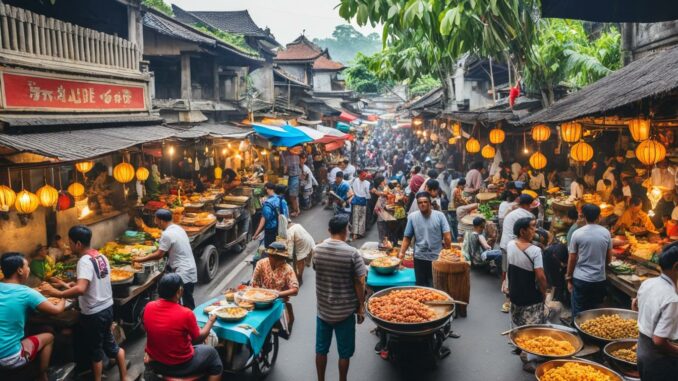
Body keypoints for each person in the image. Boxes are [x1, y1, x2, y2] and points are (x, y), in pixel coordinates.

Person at [44, 226, 128, 381]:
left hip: (94, 313)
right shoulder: (100, 256)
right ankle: (124, 377)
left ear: (78, 244)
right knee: (111, 346)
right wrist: (67, 285)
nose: (68, 246)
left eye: (69, 242)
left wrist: (58, 293)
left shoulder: (84, 261)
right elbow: (92, 283)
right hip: (107, 308)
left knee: (95, 352)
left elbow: (81, 289)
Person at [314, 215, 367, 381]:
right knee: (344, 353)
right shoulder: (353, 253)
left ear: (329, 230)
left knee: (321, 350)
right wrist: (361, 306)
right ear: (346, 230)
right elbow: (360, 281)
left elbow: (317, 269)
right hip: (345, 312)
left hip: (323, 311)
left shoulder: (318, 249)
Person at [143, 274, 222, 381]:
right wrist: (211, 320)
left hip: (156, 362)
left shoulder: (149, 307)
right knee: (213, 355)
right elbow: (199, 338)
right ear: (179, 291)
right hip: (180, 365)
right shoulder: (186, 313)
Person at [0, 253, 65, 381]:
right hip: (9, 358)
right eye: (27, 266)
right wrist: (62, 296)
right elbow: (56, 310)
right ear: (19, 270)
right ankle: (42, 375)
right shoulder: (26, 292)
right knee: (49, 336)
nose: (28, 269)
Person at [507, 217, 549, 372]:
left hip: (515, 293)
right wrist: (544, 292)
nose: (535, 230)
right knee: (533, 328)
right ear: (522, 231)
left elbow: (509, 266)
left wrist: (506, 285)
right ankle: (529, 360)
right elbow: (540, 276)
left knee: (518, 323)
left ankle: (519, 346)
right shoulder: (535, 251)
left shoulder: (511, 244)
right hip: (531, 296)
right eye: (532, 227)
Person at [135, 209, 198, 309]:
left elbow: (159, 255)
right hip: (189, 267)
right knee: (188, 300)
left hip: (183, 271)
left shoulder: (167, 234)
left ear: (161, 221)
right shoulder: (178, 228)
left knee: (185, 303)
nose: (156, 224)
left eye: (156, 220)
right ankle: (189, 321)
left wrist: (140, 259)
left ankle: (191, 322)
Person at [632, 244, 678, 381]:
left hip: (642, 350)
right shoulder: (672, 299)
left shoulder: (649, 283)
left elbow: (635, 306)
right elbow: (658, 340)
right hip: (659, 359)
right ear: (676, 266)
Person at [566, 204, 613, 318]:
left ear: (584, 216)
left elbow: (572, 258)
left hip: (581, 279)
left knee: (579, 311)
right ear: (599, 217)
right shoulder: (606, 233)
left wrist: (568, 277)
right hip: (599, 279)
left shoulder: (577, 233)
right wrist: (603, 269)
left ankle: (578, 333)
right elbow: (609, 257)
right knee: (594, 311)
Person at [399, 192, 452, 286]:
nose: (422, 204)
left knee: (435, 285)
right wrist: (401, 253)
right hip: (419, 257)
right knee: (423, 286)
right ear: (417, 204)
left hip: (436, 258)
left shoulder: (440, 216)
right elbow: (407, 237)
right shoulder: (412, 217)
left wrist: (448, 254)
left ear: (430, 203)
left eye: (425, 202)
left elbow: (447, 237)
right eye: (420, 202)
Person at [499, 194, 537, 313]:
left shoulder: (512, 212)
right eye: (531, 205)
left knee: (506, 271)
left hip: (505, 244)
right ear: (527, 205)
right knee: (517, 273)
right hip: (514, 246)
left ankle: (507, 299)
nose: (531, 207)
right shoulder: (529, 215)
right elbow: (531, 234)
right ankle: (512, 299)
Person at [252, 182, 288, 248]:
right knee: (280, 248)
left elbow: (263, 220)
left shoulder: (267, 203)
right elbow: (286, 215)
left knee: (270, 250)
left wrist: (255, 234)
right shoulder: (281, 199)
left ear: (267, 189)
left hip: (271, 230)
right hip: (282, 228)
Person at [350, 170, 371, 240]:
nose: (364, 177)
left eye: (365, 176)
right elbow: (367, 194)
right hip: (359, 200)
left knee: (361, 217)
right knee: (356, 217)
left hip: (361, 200)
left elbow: (367, 193)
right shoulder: (356, 181)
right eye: (363, 175)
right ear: (359, 175)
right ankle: (356, 233)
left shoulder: (367, 183)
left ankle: (359, 233)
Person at [282, 148, 301, 217]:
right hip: (295, 176)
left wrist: (283, 174)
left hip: (292, 176)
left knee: (292, 196)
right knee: (294, 195)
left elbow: (285, 167)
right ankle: (297, 209)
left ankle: (296, 211)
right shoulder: (297, 153)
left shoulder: (284, 154)